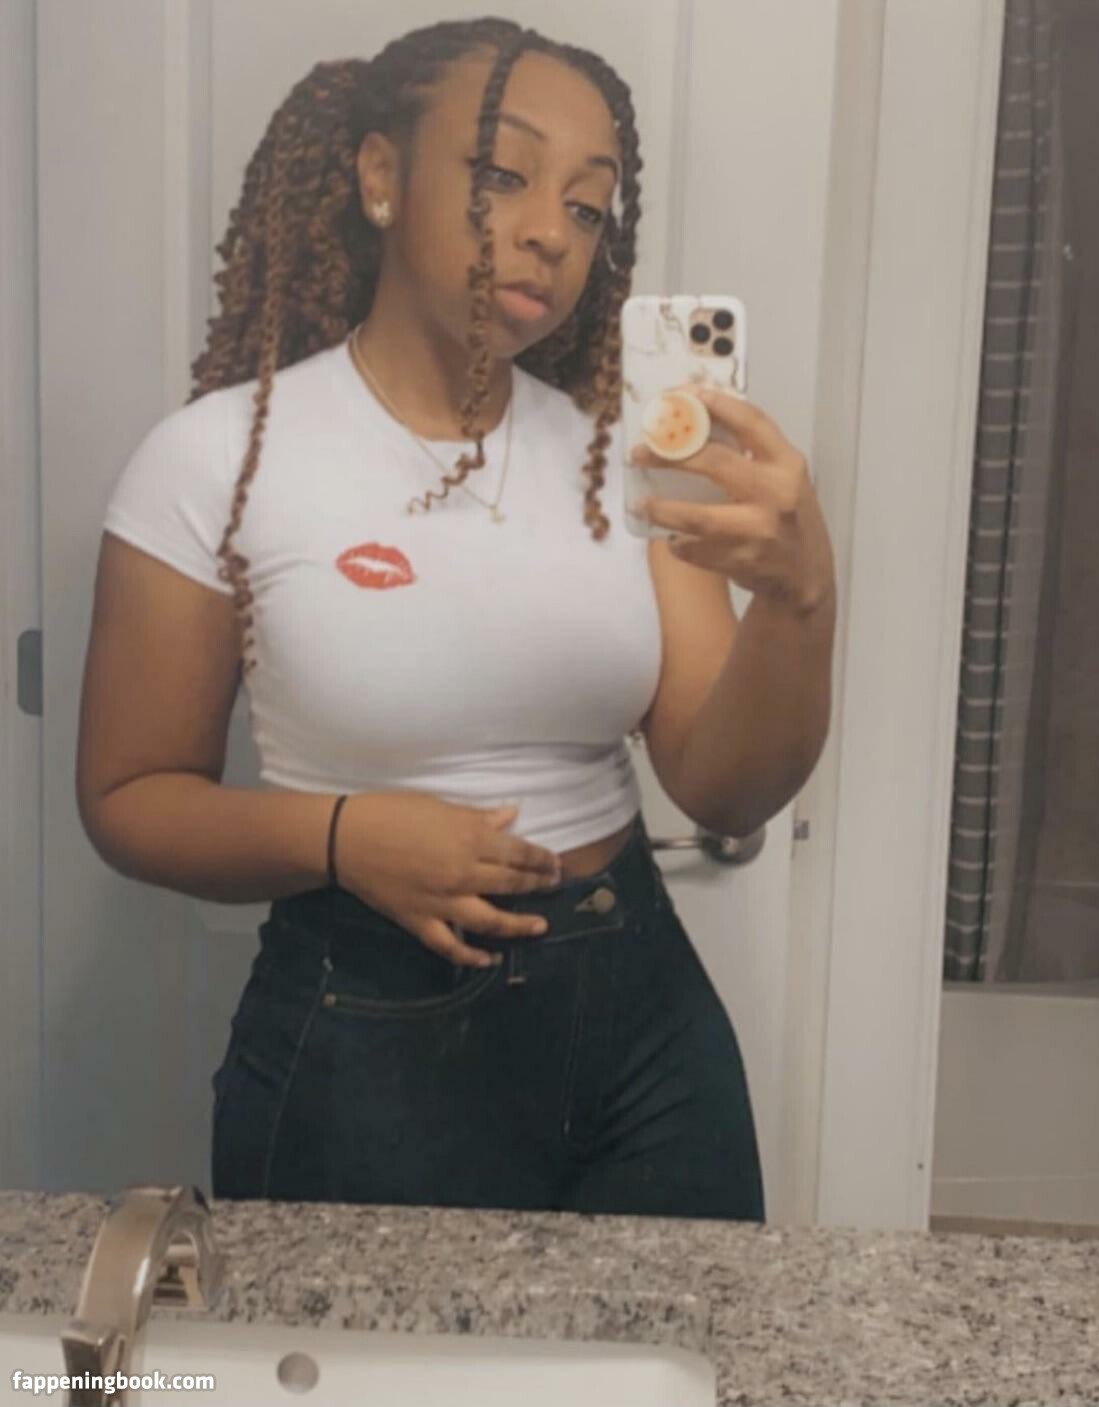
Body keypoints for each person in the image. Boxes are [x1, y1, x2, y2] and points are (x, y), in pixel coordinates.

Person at [76, 17, 836, 1223]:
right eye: (504, 174)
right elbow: (129, 797)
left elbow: (727, 791)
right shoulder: (218, 458)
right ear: (381, 176)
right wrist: (343, 837)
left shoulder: (621, 459)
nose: (552, 231)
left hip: (644, 1030)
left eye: (588, 206)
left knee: (690, 1340)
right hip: (369, 1025)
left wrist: (801, 599)